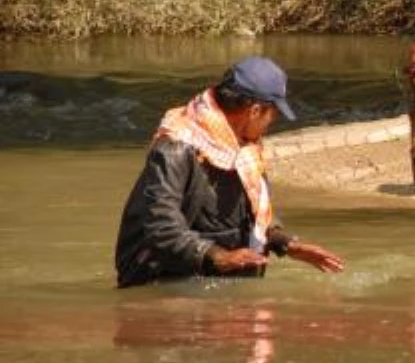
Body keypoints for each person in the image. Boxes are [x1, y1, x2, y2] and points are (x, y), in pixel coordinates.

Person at [115, 56, 345, 287]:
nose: (271, 123)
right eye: (273, 114)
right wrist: (217, 256)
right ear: (255, 111)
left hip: (212, 275)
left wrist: (285, 243)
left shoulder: (243, 148)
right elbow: (161, 224)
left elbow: (252, 211)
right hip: (161, 277)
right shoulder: (175, 148)